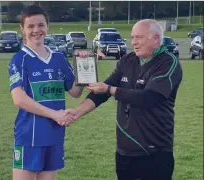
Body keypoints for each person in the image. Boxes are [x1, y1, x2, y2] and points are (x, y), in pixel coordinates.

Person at [65, 19, 183, 180]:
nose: (133, 42)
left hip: (154, 151)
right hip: (124, 151)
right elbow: (102, 91)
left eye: (139, 37)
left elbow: (148, 98)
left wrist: (109, 89)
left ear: (156, 38)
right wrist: (77, 112)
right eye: (132, 37)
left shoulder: (168, 63)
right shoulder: (128, 60)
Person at [8, 5, 86, 180]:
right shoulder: (20, 59)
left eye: (41, 25)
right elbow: (19, 99)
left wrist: (84, 70)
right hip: (29, 136)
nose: (36, 30)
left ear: (47, 26)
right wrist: (54, 115)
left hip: (54, 134)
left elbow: (75, 91)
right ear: (23, 29)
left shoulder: (58, 58)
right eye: (30, 26)